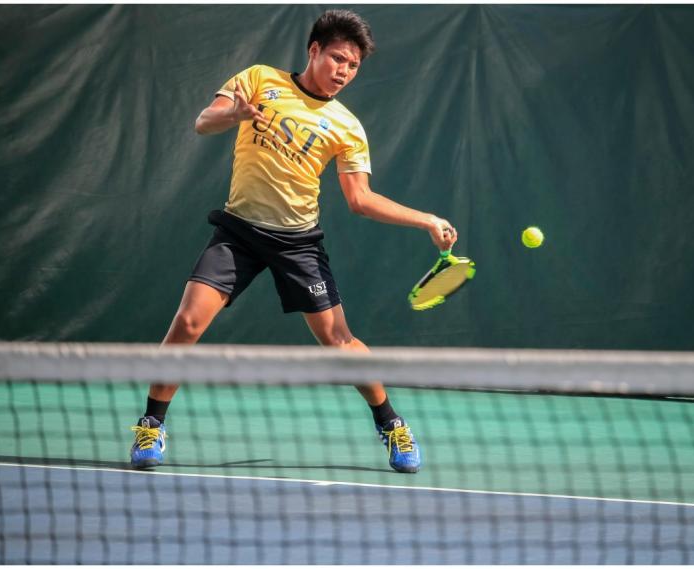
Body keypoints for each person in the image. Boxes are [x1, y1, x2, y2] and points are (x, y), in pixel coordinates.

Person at [129, 9, 457, 474]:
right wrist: (234, 114)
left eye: (353, 65)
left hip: (297, 243)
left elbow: (359, 200)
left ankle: (391, 424)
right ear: (314, 50)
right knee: (186, 322)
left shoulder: (347, 127)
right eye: (338, 58)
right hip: (239, 232)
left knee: (339, 341)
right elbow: (205, 121)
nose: (344, 71)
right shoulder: (259, 79)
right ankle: (151, 424)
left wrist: (426, 219)